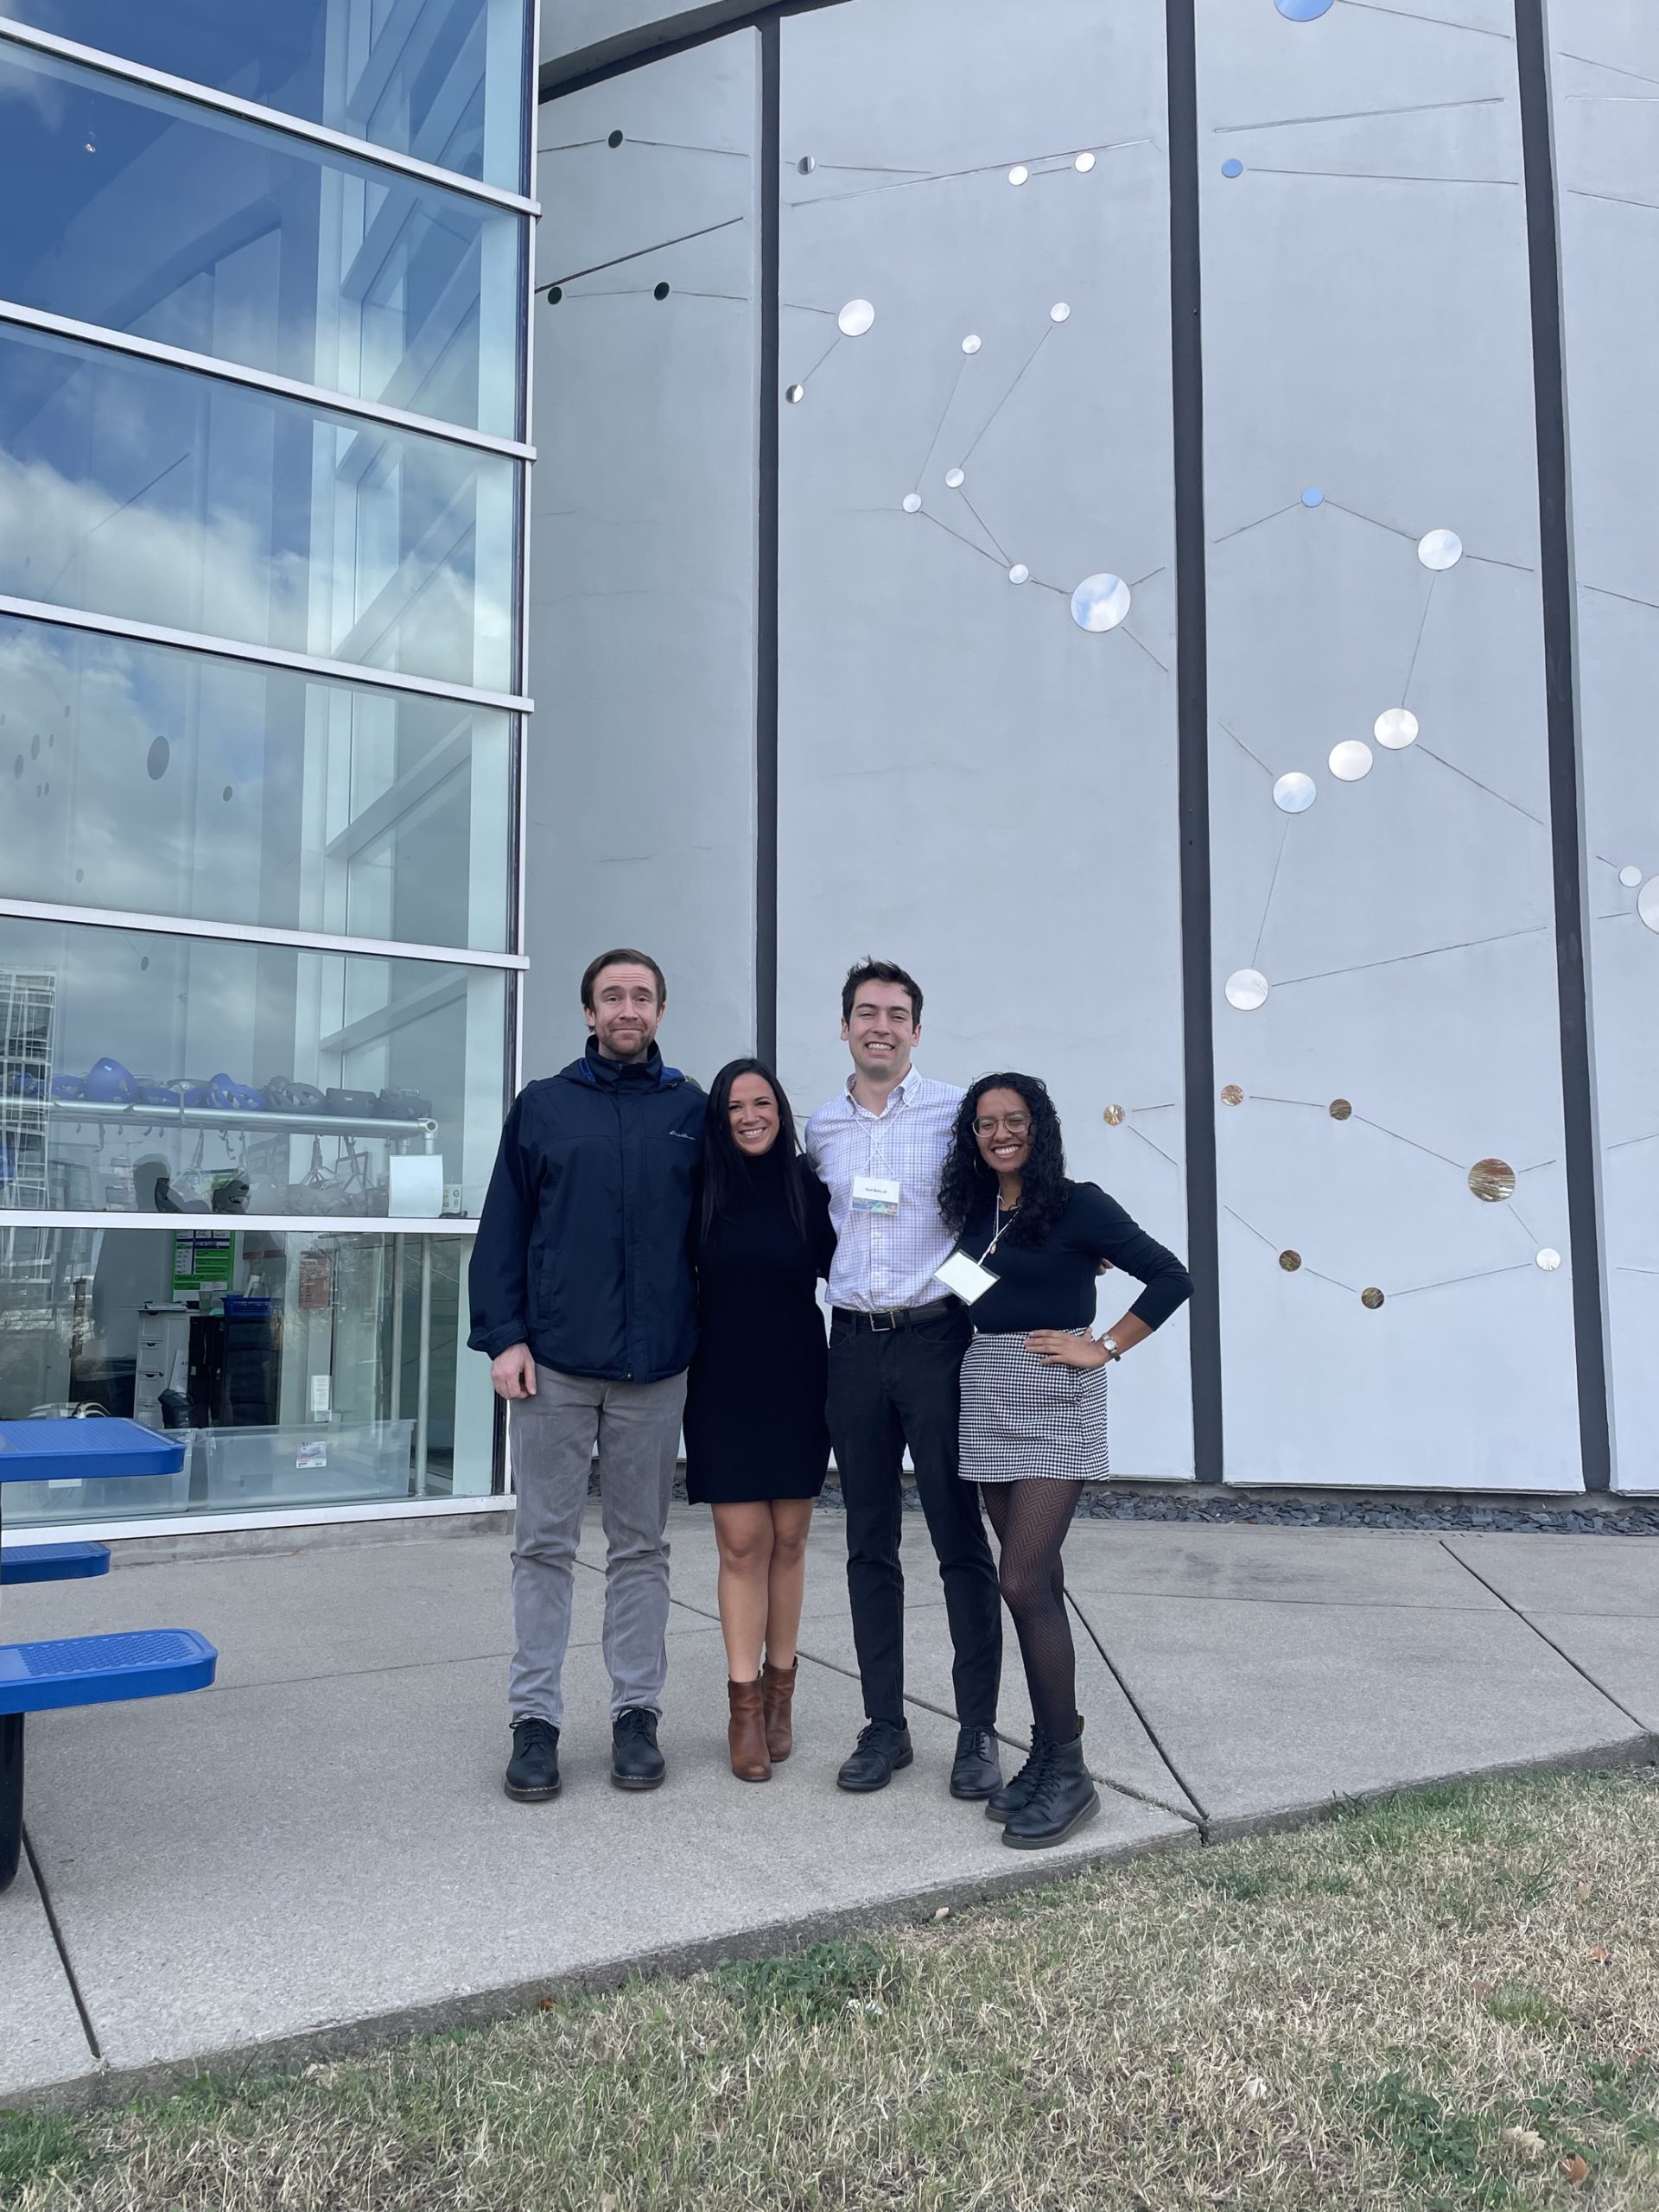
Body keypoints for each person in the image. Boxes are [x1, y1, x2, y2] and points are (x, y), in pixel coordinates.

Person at [468, 950, 704, 1803]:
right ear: (589, 1010)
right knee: (544, 1545)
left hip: (657, 1370)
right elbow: (504, 1227)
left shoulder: (691, 1111)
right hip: (555, 1367)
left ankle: (636, 1716)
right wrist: (504, 1337)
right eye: (614, 996)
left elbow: (716, 1234)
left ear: (661, 1009)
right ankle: (535, 1723)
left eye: (643, 994)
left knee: (642, 1547)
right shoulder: (543, 1107)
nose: (628, 1008)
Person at [938, 1072, 1192, 1848]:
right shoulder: (976, 1208)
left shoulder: (1080, 1203)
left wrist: (1104, 1346)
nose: (1001, 1134)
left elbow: (1173, 1276)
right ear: (972, 1137)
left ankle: (1072, 1772)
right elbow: (968, 1292)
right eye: (986, 1124)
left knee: (1020, 1578)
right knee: (1038, 1583)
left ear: (1039, 1127)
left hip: (1056, 1402)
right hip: (985, 1395)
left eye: (1014, 1120)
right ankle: (1049, 1754)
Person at [804, 961, 1003, 1799]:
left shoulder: (958, 1115)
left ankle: (976, 1734)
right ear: (844, 1026)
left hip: (936, 1345)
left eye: (896, 1014)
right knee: (868, 1541)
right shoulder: (820, 1129)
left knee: (960, 1540)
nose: (880, 1025)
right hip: (851, 1348)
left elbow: (995, 1220)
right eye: (865, 1012)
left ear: (917, 1030)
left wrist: (976, 1305)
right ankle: (885, 1726)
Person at [684, 1059, 836, 1782]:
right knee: (742, 1541)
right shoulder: (698, 1187)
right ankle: (744, 1705)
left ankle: (783, 1693)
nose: (751, 1115)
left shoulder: (809, 1187)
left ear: (781, 1109)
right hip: (722, 1377)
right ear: (720, 1116)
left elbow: (869, 1257)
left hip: (800, 1373)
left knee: (792, 1535)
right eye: (737, 1105)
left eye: (763, 1102)